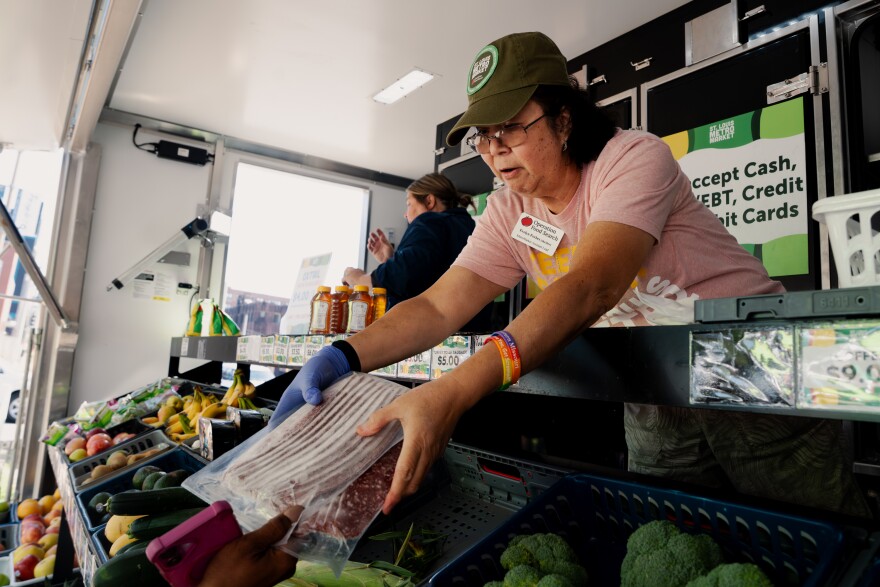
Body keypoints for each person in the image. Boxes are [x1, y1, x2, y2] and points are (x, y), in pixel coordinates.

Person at [342, 172, 493, 332]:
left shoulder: (430, 221)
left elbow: (403, 274)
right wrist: (391, 259)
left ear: (429, 201)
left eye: (409, 204)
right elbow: (428, 273)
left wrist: (358, 278)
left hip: (429, 336)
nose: (405, 214)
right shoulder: (469, 227)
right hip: (471, 333)